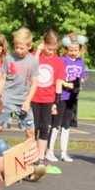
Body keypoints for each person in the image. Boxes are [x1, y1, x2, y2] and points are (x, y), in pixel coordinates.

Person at [0, 28, 42, 177]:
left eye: (21, 48)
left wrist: (28, 101)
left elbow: (34, 83)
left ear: (29, 46)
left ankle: (32, 164)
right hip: (7, 98)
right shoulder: (9, 58)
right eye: (16, 46)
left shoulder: (33, 61)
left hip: (23, 101)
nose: (18, 50)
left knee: (30, 132)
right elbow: (3, 79)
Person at [49, 32, 87, 162]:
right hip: (62, 96)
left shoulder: (80, 62)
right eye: (71, 50)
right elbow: (58, 77)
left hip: (73, 97)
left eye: (76, 50)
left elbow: (83, 77)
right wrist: (66, 83)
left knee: (66, 124)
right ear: (66, 49)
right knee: (56, 123)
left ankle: (63, 152)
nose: (73, 53)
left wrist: (79, 81)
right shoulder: (62, 60)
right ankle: (50, 151)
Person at [33, 30, 66, 173]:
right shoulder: (36, 56)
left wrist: (56, 102)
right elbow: (31, 68)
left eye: (54, 49)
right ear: (43, 44)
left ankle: (41, 157)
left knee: (44, 128)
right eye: (49, 48)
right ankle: (31, 157)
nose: (51, 52)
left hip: (48, 99)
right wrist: (38, 51)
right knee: (32, 128)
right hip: (33, 97)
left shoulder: (58, 61)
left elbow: (58, 82)